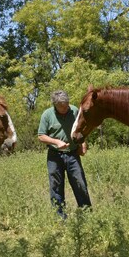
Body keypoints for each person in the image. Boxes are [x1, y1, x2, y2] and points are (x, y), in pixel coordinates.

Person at [38, 90, 91, 219]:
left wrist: (83, 144)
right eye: (63, 106)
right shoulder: (47, 115)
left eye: (67, 104)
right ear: (55, 105)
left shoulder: (74, 111)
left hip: (73, 155)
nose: (66, 108)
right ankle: (60, 218)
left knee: (80, 184)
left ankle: (87, 216)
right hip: (54, 156)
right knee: (56, 187)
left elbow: (82, 128)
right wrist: (56, 142)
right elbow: (41, 136)